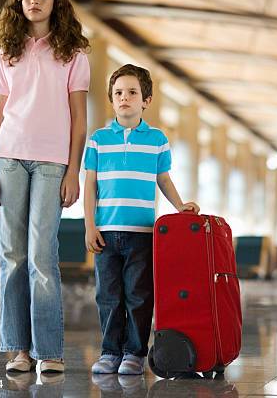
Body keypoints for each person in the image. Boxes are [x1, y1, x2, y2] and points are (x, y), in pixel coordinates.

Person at [0, 0, 90, 373]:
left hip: (51, 163)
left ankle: (49, 351)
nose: (34, 0)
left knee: (41, 256)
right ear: (18, 2)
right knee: (12, 256)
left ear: (55, 1)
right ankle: (18, 350)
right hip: (8, 157)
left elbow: (79, 118)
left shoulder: (74, 54)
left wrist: (73, 170)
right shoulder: (6, 53)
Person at [84, 64, 200, 375]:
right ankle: (110, 352)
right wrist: (89, 226)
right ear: (111, 99)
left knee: (138, 296)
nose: (124, 98)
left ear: (145, 100)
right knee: (108, 296)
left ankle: (134, 353)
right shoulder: (97, 139)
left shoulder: (158, 140)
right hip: (105, 232)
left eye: (132, 92)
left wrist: (179, 206)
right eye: (118, 93)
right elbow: (90, 185)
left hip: (143, 233)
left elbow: (163, 178)